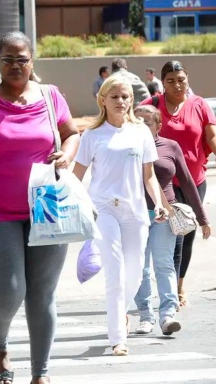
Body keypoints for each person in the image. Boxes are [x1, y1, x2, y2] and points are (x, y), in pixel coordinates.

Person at [0, 32, 80, 384]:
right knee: (9, 290)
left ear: (32, 61)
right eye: (8, 59)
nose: (15, 66)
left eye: (21, 59)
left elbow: (72, 133)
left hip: (47, 207)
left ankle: (40, 373)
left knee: (42, 294)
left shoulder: (50, 96)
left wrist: (66, 155)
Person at [73, 75, 168, 357]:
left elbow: (148, 176)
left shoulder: (140, 133)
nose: (121, 101)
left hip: (136, 210)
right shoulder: (91, 135)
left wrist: (159, 203)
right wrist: (74, 206)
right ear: (102, 100)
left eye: (125, 96)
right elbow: (77, 176)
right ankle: (118, 337)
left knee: (136, 273)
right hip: (103, 210)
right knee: (114, 272)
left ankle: (121, 313)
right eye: (114, 96)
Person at [139, 60, 216, 309]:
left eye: (181, 79)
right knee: (172, 237)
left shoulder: (199, 105)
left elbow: (211, 137)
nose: (177, 84)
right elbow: (129, 124)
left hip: (194, 180)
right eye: (170, 80)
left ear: (187, 79)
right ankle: (168, 290)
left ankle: (178, 285)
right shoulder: (151, 105)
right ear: (163, 83)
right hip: (161, 182)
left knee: (187, 233)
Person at [133, 105, 209, 337]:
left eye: (147, 122)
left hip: (163, 214)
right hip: (134, 215)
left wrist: (202, 217)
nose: (141, 126)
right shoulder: (126, 147)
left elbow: (187, 181)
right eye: (137, 121)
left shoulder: (170, 146)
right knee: (140, 268)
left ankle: (167, 316)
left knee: (164, 263)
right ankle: (145, 316)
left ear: (158, 125)